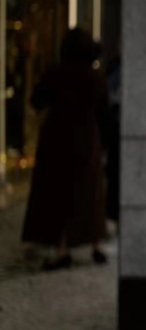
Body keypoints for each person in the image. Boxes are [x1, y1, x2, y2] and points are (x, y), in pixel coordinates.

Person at [21, 28, 110, 271]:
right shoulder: (95, 77)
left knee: (58, 192)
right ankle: (95, 244)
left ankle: (61, 248)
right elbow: (104, 113)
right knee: (89, 192)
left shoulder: (55, 73)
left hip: (57, 139)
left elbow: (36, 100)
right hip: (87, 139)